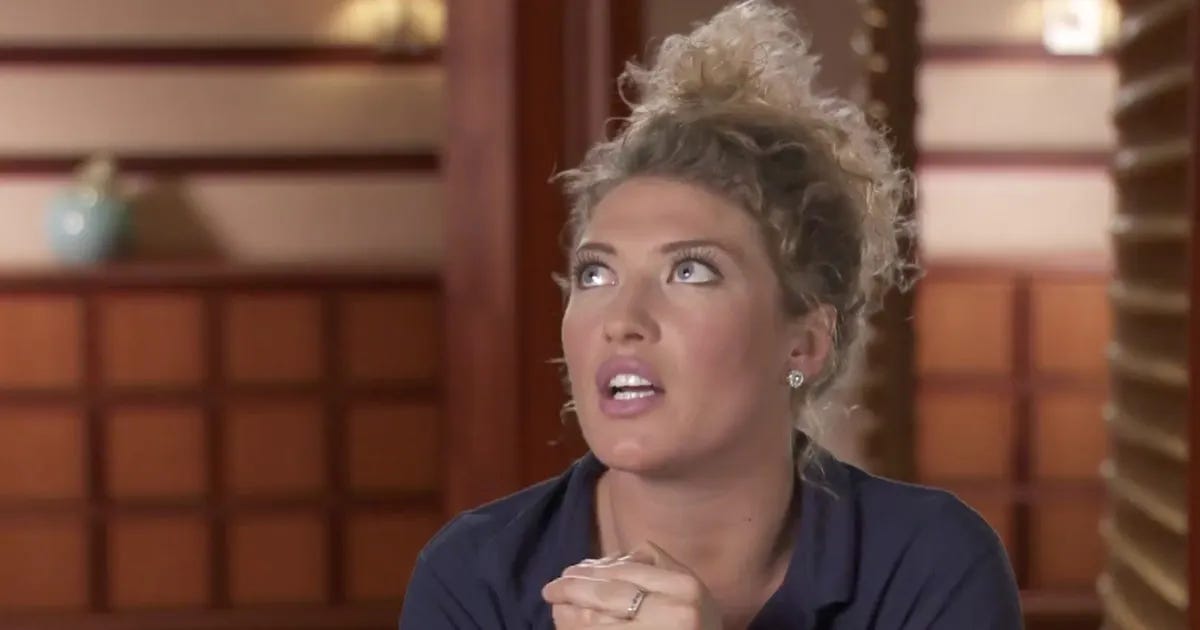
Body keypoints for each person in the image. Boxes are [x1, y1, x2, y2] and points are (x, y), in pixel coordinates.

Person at [399, 1, 1021, 628]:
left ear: (805, 345)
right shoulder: (474, 577)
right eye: (596, 274)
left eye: (690, 271)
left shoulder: (929, 566)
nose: (622, 318)